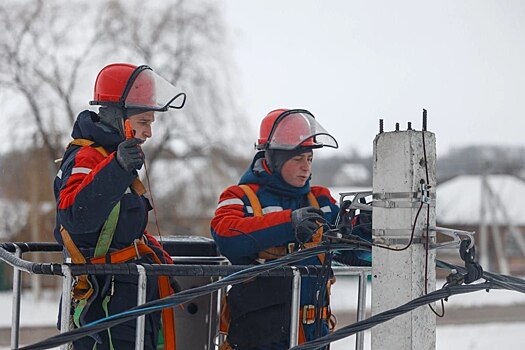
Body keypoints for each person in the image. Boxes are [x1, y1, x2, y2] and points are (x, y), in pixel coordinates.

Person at [53, 63, 185, 350]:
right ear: (119, 118)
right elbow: (76, 217)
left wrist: (160, 261)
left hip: (129, 294)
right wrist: (117, 168)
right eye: (144, 122)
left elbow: (124, 231)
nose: (149, 132)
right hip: (104, 301)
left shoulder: (115, 157)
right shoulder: (89, 158)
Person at [211, 108, 341, 349]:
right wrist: (289, 223)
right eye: (298, 159)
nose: (306, 168)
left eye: (309, 159)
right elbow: (226, 235)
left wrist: (364, 229)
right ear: (274, 159)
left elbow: (349, 249)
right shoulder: (241, 197)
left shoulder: (320, 200)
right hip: (258, 337)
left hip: (315, 336)